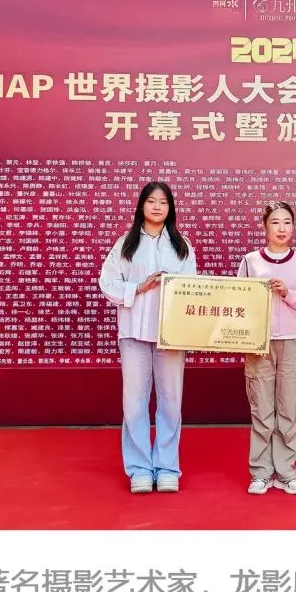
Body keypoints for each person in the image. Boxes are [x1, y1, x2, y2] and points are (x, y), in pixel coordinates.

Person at [98, 181, 196, 494]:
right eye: (151, 201)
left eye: (163, 202)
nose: (157, 207)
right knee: (134, 402)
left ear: (171, 208)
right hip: (134, 333)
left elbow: (193, 290)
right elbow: (107, 283)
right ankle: (139, 468)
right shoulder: (125, 244)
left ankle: (167, 467)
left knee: (171, 402)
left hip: (171, 335)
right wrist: (139, 288)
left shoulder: (182, 246)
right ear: (142, 205)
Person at [237, 202, 296, 496]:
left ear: (293, 227)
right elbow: (238, 301)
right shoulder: (250, 261)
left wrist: (288, 293)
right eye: (275, 222)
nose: (281, 228)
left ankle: (286, 473)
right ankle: (260, 473)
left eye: (287, 222)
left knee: (287, 409)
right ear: (265, 227)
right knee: (261, 409)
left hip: (292, 342)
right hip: (258, 343)